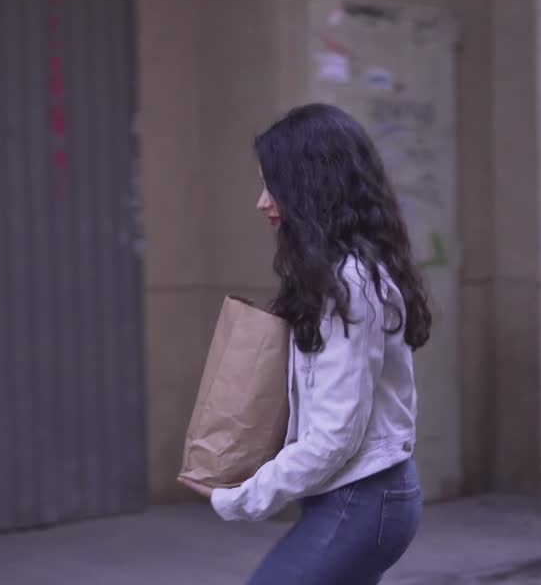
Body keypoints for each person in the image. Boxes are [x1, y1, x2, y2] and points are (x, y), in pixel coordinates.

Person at [180, 103, 430, 585]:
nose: (262, 201)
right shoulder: (339, 275)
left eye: (273, 185)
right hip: (355, 497)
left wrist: (239, 498)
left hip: (363, 501)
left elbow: (335, 436)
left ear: (313, 186)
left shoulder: (352, 285)